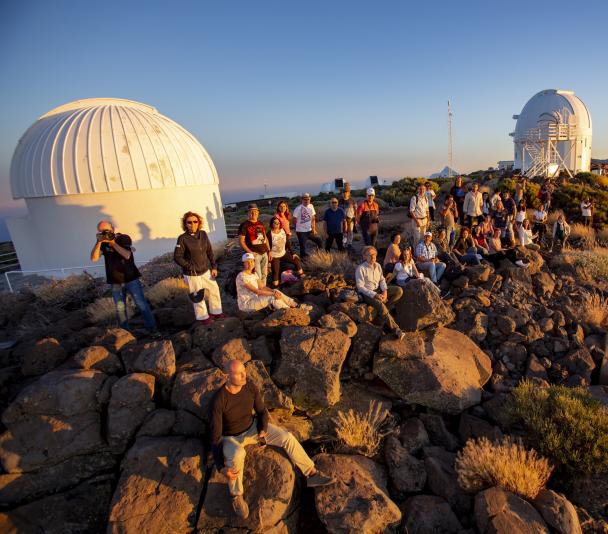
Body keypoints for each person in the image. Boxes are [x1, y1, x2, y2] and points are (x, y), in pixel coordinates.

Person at [209, 359, 334, 519]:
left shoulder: (249, 387)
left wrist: (262, 430)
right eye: (239, 373)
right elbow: (215, 437)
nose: (244, 375)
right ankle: (236, 496)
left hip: (252, 428)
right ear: (227, 376)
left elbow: (262, 412)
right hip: (230, 437)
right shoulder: (219, 400)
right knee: (238, 454)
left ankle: (311, 473)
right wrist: (221, 467)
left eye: (244, 371)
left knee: (287, 437)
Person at [91, 220, 158, 335]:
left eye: (106, 230)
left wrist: (112, 243)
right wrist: (98, 242)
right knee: (120, 309)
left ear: (112, 228)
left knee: (141, 304)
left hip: (131, 279)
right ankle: (125, 334)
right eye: (101, 231)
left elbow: (127, 255)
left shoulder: (123, 238)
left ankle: (152, 330)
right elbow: (94, 258)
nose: (104, 233)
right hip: (115, 281)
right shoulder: (102, 243)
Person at [174, 211, 226, 325]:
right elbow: (177, 257)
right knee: (198, 297)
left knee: (214, 290)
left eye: (195, 222)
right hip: (192, 273)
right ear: (185, 224)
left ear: (199, 223)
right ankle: (203, 317)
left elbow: (209, 251)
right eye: (189, 222)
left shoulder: (203, 234)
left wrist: (214, 266)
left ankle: (216, 312)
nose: (192, 224)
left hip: (205, 270)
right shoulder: (182, 238)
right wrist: (189, 266)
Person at [355, 246, 405, 340]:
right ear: (364, 256)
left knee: (399, 291)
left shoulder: (377, 265)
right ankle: (396, 330)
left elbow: (382, 280)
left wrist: (385, 291)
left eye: (374, 254)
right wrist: (375, 295)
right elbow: (360, 287)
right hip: (367, 293)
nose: (373, 257)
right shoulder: (360, 269)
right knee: (380, 305)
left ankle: (386, 310)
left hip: (379, 289)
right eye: (370, 255)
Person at [236, 253, 311, 313]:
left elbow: (262, 287)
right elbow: (257, 291)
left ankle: (296, 306)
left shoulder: (254, 274)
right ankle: (292, 312)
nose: (250, 264)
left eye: (252, 261)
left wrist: (274, 292)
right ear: (243, 263)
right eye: (247, 262)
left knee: (276, 290)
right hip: (247, 304)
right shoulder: (242, 276)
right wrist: (273, 294)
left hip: (256, 299)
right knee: (272, 297)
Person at [267, 217, 304, 288]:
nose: (277, 224)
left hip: (283, 253)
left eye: (278, 223)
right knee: (275, 272)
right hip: (275, 256)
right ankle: (276, 288)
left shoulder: (282, 230)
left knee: (296, 260)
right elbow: (266, 246)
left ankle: (302, 277)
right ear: (272, 224)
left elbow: (287, 242)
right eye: (275, 223)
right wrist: (269, 254)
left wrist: (292, 253)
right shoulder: (269, 234)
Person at [238, 204, 270, 284]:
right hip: (254, 255)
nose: (253, 213)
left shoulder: (260, 223)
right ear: (248, 213)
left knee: (264, 274)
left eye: (255, 211)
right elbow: (241, 241)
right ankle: (259, 292)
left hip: (264, 253)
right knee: (257, 276)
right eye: (251, 212)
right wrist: (250, 252)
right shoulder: (244, 225)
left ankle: (263, 290)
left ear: (258, 213)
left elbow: (265, 237)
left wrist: (269, 251)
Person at [293, 193, 322, 258]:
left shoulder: (311, 206)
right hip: (301, 231)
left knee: (319, 241)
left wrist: (314, 229)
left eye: (308, 199)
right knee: (303, 247)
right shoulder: (298, 208)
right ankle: (303, 261)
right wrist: (296, 229)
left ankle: (318, 254)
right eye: (305, 199)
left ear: (310, 199)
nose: (306, 201)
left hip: (309, 230)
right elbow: (294, 219)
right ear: (302, 199)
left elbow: (313, 218)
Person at [339, 183, 358, 250]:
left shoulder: (352, 200)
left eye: (346, 192)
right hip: (342, 220)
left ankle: (349, 244)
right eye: (344, 192)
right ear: (342, 193)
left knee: (350, 232)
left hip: (350, 219)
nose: (345, 193)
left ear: (349, 193)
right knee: (343, 232)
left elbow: (356, 210)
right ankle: (344, 245)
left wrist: (356, 219)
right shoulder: (339, 201)